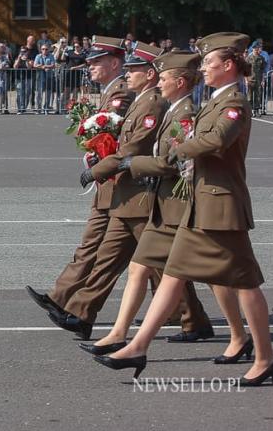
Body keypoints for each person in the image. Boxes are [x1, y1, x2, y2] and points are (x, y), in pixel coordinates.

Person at [95, 32, 273, 386]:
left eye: (209, 63)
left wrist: (180, 150)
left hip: (222, 207)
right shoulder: (213, 100)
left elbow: (218, 139)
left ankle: (264, 357)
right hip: (202, 203)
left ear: (228, 66)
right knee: (175, 273)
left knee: (246, 284)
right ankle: (137, 345)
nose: (204, 69)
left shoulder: (235, 102)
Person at [78, 50, 214, 355]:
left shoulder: (184, 113)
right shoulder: (171, 109)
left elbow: (172, 161)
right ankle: (120, 335)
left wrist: (130, 164)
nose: (159, 82)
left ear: (179, 82)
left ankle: (236, 337)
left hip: (173, 201)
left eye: (164, 77)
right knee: (141, 268)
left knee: (224, 276)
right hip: (156, 198)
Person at [49, 43, 168, 339]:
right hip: (125, 188)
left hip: (137, 189)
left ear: (150, 74)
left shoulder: (149, 102)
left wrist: (96, 170)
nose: (128, 74)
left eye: (134, 69)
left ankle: (190, 316)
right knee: (112, 258)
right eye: (126, 69)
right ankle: (81, 313)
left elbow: (131, 149)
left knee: (157, 263)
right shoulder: (141, 99)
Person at [26, 36, 135, 334]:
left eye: (96, 62)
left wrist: (97, 154)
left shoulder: (121, 91)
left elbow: (116, 134)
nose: (90, 67)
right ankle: (62, 299)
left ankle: (186, 313)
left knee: (140, 258)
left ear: (114, 63)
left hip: (122, 182)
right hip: (110, 181)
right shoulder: (110, 90)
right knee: (100, 246)